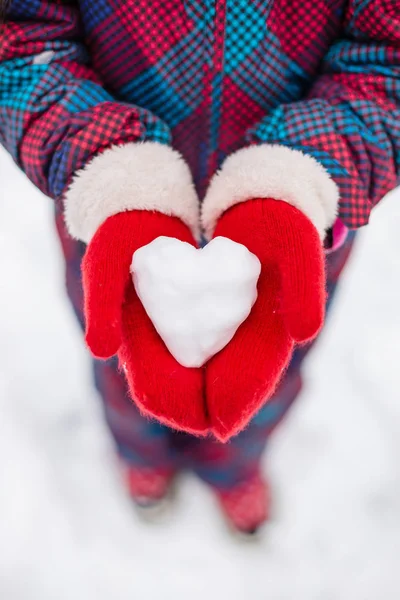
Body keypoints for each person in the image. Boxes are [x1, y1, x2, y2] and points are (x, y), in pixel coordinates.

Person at [1, 0, 399, 535]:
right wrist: (115, 170)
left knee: (267, 371)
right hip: (110, 208)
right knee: (123, 360)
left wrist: (294, 182)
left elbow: (389, 59)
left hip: (299, 218)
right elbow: (21, 41)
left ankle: (234, 468)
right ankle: (142, 458)